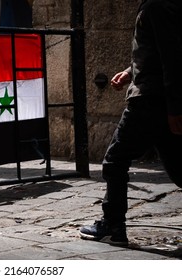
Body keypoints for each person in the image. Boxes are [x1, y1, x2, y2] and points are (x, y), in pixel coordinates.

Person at [79, 0, 182, 246]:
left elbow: (172, 57)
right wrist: (129, 72)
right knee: (180, 168)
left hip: (150, 100)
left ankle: (112, 226)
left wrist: (175, 108)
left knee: (115, 160)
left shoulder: (158, 6)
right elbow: (155, 49)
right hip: (157, 97)